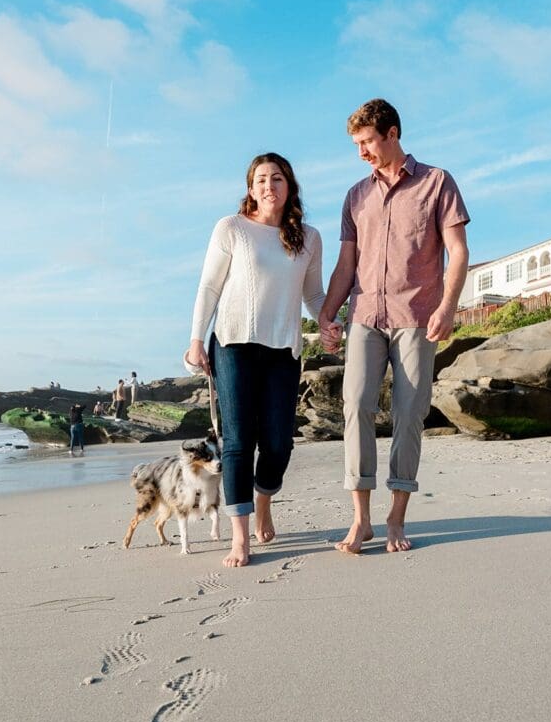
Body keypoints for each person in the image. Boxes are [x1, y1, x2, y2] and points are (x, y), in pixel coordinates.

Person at [318, 98, 470, 555]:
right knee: (356, 407)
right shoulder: (355, 196)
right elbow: (347, 264)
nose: (361, 151)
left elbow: (458, 252)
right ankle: (361, 519)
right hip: (365, 316)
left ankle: (396, 517)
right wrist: (327, 315)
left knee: (409, 413)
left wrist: (448, 306)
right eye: (357, 144)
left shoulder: (436, 183)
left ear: (393, 133)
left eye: (367, 141)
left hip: (417, 317)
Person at [188, 152, 328, 568]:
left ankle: (263, 500)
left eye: (278, 179)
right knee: (236, 442)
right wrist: (196, 339)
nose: (270, 186)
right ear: (251, 189)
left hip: (284, 348)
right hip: (232, 344)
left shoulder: (309, 238)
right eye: (262, 180)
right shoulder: (231, 228)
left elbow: (314, 295)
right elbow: (209, 288)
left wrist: (328, 322)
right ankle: (240, 538)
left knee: (280, 442)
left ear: (290, 187)